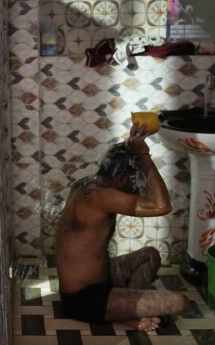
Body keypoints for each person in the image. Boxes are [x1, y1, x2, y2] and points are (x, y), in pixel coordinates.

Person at [54, 122, 189, 331]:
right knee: (179, 302)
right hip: (84, 299)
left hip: (99, 282)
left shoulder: (87, 184)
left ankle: (126, 310)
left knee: (150, 255)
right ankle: (122, 314)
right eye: (134, 181)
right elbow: (162, 205)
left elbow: (148, 197)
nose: (137, 187)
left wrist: (131, 145)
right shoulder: (101, 197)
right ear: (120, 178)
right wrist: (144, 156)